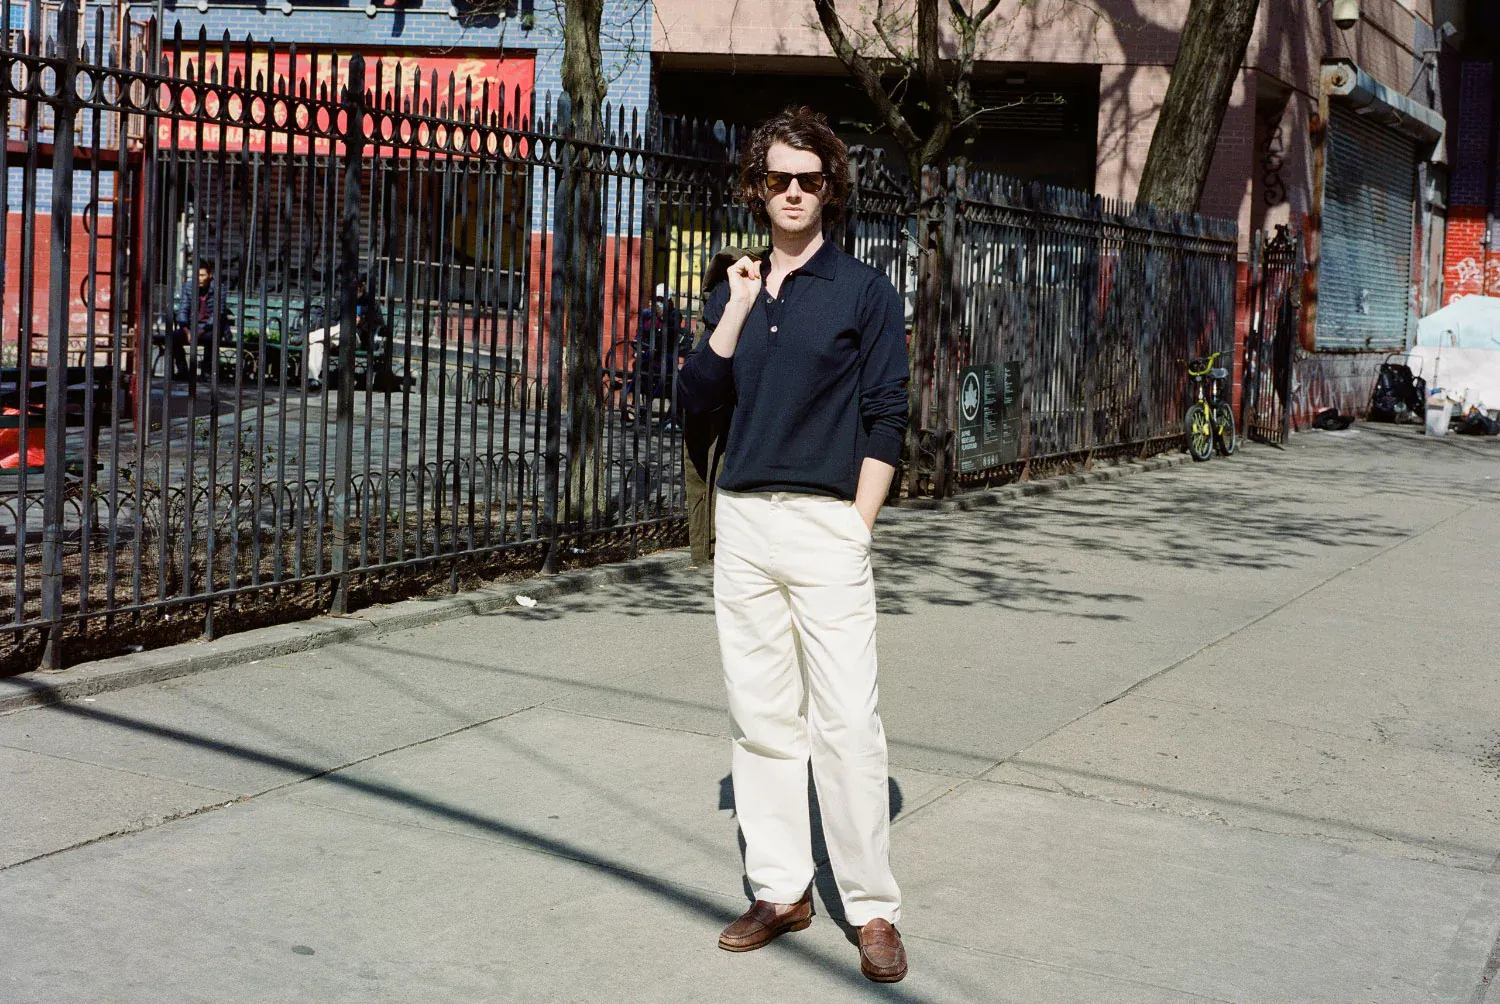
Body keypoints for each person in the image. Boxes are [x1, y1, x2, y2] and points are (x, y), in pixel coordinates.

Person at [677, 107, 911, 983]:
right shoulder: (729, 285)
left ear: (831, 191)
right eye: (778, 178)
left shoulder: (864, 292)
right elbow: (698, 397)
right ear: (755, 187)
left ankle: (873, 907)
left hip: (826, 525)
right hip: (744, 520)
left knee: (848, 719)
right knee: (763, 718)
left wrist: (858, 524)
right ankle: (781, 890)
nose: (793, 193)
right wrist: (734, 308)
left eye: (810, 180)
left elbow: (889, 414)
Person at [171, 259, 230, 381]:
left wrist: (200, 332)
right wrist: (187, 330)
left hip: (210, 327)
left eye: (202, 275)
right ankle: (182, 370)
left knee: (212, 337)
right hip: (192, 328)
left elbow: (218, 314)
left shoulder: (219, 288)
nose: (199, 278)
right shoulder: (189, 286)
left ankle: (207, 372)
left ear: (210, 275)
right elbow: (183, 310)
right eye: (197, 275)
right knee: (173, 336)